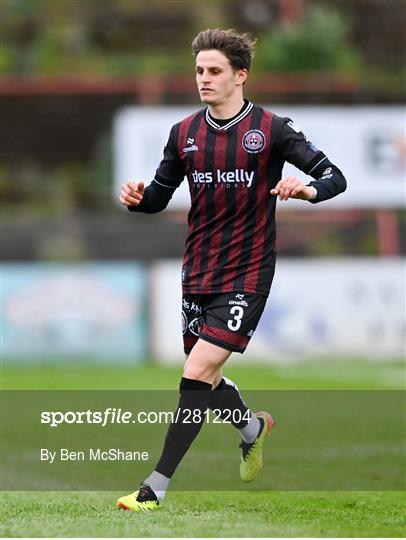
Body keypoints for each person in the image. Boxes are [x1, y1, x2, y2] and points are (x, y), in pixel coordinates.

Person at [116, 28, 347, 511]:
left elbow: (334, 177)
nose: (204, 79)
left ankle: (153, 489)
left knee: (196, 371)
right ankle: (252, 427)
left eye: (215, 71)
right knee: (209, 380)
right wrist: (139, 200)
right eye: (200, 70)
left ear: (240, 76)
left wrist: (305, 191)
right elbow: (159, 197)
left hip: (247, 272)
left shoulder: (272, 129)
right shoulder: (184, 134)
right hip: (197, 271)